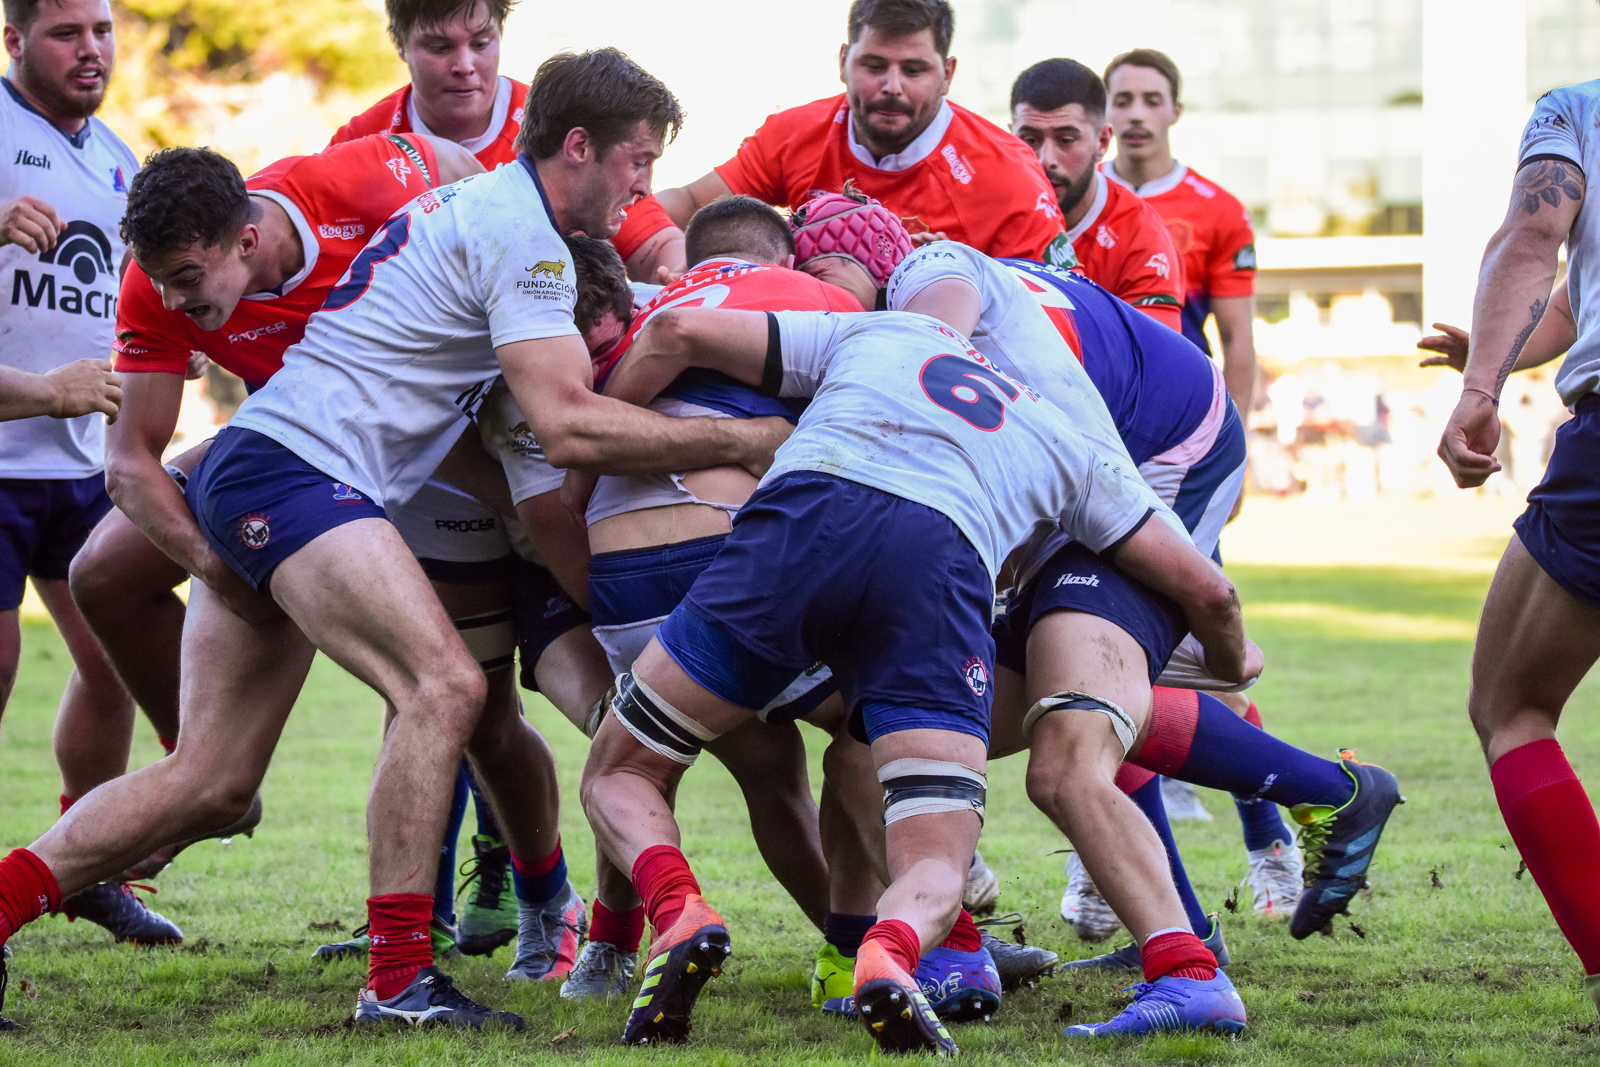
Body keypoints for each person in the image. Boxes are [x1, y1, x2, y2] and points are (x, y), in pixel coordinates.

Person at [0, 48, 791, 1032]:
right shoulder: (527, 244)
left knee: (211, 782)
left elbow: (502, 427)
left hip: (265, 466)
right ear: (578, 147)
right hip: (292, 473)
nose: (644, 190)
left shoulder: (469, 197)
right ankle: (399, 977)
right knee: (449, 687)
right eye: (637, 161)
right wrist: (751, 435)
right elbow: (569, 426)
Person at [587, 243, 1258, 1049]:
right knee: (935, 848)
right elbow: (1208, 589)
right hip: (938, 573)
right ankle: (890, 950)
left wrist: (592, 462)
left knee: (624, 765)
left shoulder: (879, 332)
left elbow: (676, 329)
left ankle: (677, 907)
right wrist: (1230, 662)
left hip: (806, 525)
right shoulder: (1064, 438)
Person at [0, 0, 178, 956]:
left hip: (79, 469)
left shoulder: (118, 159)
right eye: (67, 32)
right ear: (14, 39)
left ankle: (86, 870)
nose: (92, 49)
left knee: (109, 660)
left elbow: (134, 310)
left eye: (102, 29)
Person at [1434, 79, 1600, 1020]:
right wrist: (1490, 348)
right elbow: (1573, 303)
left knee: (1511, 705)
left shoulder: (1577, 110)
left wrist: (1480, 387)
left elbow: (1533, 240)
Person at [636, 0, 1067, 269]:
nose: (892, 86)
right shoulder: (797, 132)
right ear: (843, 61)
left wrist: (962, 272)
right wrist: (649, 241)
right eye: (874, 66)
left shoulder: (1008, 174)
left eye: (914, 70)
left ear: (947, 74)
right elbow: (688, 203)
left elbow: (1062, 306)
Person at [331, 0, 684, 284]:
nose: (464, 65)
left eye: (481, 43)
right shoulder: (360, 143)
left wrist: (678, 274)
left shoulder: (561, 126)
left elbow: (656, 247)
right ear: (399, 44)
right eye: (439, 47)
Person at [1100, 48, 1256, 417]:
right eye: (1122, 102)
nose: (1137, 114)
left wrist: (1235, 440)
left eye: (1152, 101)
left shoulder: (1222, 210)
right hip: (1087, 402)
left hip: (1179, 408)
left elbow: (1237, 338)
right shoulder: (1072, 197)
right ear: (1105, 111)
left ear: (1176, 111)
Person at [1009, 58, 1184, 330]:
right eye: (1030, 140)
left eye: (1066, 140)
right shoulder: (979, 204)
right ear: (1010, 138)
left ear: (1102, 142)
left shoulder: (1141, 236)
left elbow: (1153, 365)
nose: (1046, 159)